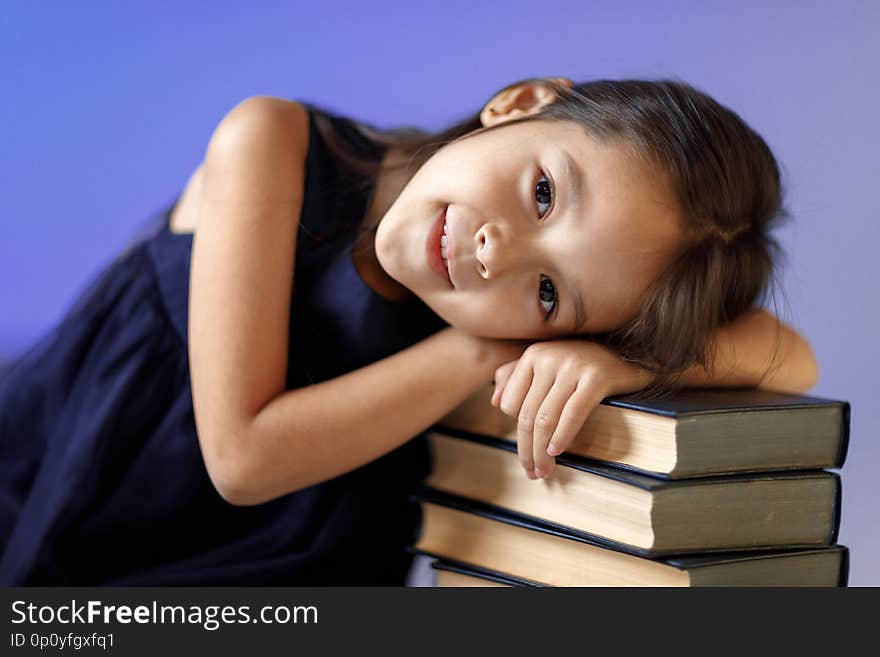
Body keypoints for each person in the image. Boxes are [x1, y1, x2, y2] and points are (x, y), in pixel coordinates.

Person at [0, 76, 817, 585]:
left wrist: (615, 360)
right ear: (521, 104)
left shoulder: (515, 305)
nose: (500, 253)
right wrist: (492, 344)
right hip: (65, 503)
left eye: (546, 292)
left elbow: (792, 358)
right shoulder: (274, 141)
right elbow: (243, 458)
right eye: (543, 194)